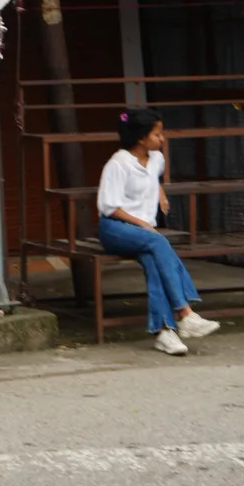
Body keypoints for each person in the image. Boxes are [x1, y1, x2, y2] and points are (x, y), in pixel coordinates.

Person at [97, 107, 222, 355]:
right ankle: (184, 312)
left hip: (145, 235)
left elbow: (153, 178)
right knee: (158, 243)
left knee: (154, 259)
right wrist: (142, 223)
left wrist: (160, 191)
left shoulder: (156, 159)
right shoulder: (118, 163)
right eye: (157, 134)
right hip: (115, 229)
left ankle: (165, 332)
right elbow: (108, 206)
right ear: (141, 138)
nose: (162, 139)